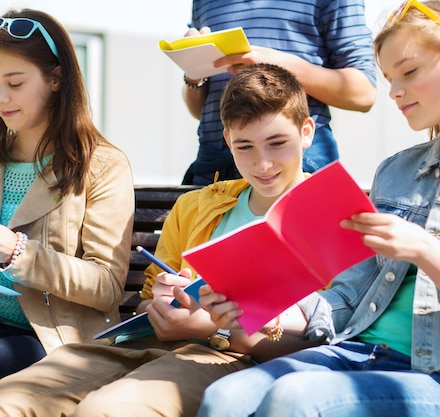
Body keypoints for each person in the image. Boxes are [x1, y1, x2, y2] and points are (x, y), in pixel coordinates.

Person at [196, 1, 440, 417]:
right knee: (223, 397)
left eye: (409, 72)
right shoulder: (396, 171)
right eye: (391, 78)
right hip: (355, 353)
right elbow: (346, 297)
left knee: (293, 399)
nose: (394, 91)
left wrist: (426, 251)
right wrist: (269, 311)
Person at [0, 63, 325, 417]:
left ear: (306, 132)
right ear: (228, 140)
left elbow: (330, 336)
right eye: (245, 146)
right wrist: (161, 304)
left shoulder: (328, 213)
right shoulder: (196, 206)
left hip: (229, 358)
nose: (262, 164)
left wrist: (213, 326)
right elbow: (144, 306)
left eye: (277, 144)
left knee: (107, 410)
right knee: (10, 399)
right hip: (145, 345)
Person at [0, 8, 134, 378]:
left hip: (52, 340)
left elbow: (106, 286)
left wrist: (17, 252)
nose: (2, 98)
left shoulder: (102, 164)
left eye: (14, 84)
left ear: (56, 79)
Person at [181, 0, 377, 185]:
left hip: (299, 162)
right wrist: (194, 75)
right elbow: (200, 111)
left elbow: (363, 93)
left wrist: (280, 65)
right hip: (213, 167)